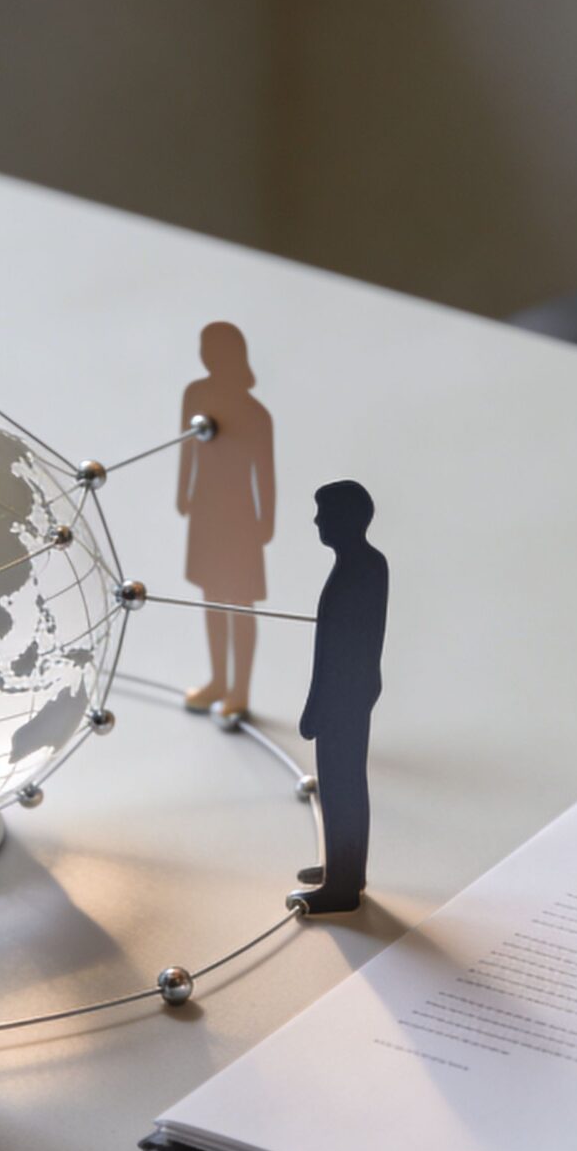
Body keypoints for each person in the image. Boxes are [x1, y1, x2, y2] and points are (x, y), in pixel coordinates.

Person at [293, 480, 388, 915]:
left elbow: (339, 651)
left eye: (324, 513)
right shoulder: (365, 564)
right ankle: (344, 869)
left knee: (342, 787)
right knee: (342, 785)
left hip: (343, 697)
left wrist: (316, 707)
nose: (317, 520)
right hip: (351, 692)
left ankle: (343, 885)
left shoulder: (359, 569)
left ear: (346, 518)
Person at [176, 321, 276, 719]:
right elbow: (187, 447)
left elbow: (265, 472)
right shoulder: (195, 394)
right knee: (213, 598)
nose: (209, 356)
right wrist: (182, 492)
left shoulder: (256, 414)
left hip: (240, 513)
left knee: (242, 602)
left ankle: (239, 691)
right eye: (206, 349)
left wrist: (266, 519)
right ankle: (218, 680)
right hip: (205, 508)